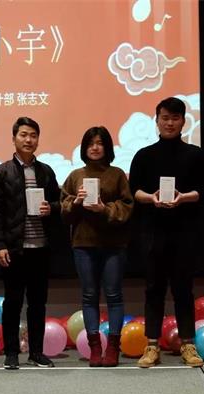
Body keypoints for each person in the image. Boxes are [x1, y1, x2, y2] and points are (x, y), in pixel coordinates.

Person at [129, 97, 204, 368]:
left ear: (183, 121)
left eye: (175, 118)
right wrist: (151, 198)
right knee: (153, 289)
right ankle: (152, 345)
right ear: (157, 120)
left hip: (185, 233)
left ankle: (188, 344)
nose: (169, 123)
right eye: (165, 118)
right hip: (153, 233)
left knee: (184, 290)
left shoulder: (195, 155)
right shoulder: (144, 155)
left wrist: (183, 197)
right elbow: (134, 191)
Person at [0, 117, 60, 370]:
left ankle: (36, 352)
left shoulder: (46, 171)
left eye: (33, 135)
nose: (29, 140)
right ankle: (11, 353)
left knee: (38, 303)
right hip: (14, 249)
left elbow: (59, 203)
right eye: (23, 135)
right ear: (14, 138)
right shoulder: (0, 172)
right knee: (13, 302)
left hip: (40, 247)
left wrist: (51, 208)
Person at [61, 127, 133, 367]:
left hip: (114, 244)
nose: (95, 147)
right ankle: (95, 348)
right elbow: (64, 211)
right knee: (89, 295)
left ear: (107, 147)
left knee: (114, 295)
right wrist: (76, 202)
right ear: (84, 147)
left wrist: (105, 209)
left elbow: (127, 206)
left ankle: (112, 348)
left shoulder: (117, 174)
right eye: (90, 143)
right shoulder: (75, 175)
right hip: (83, 243)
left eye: (100, 143)